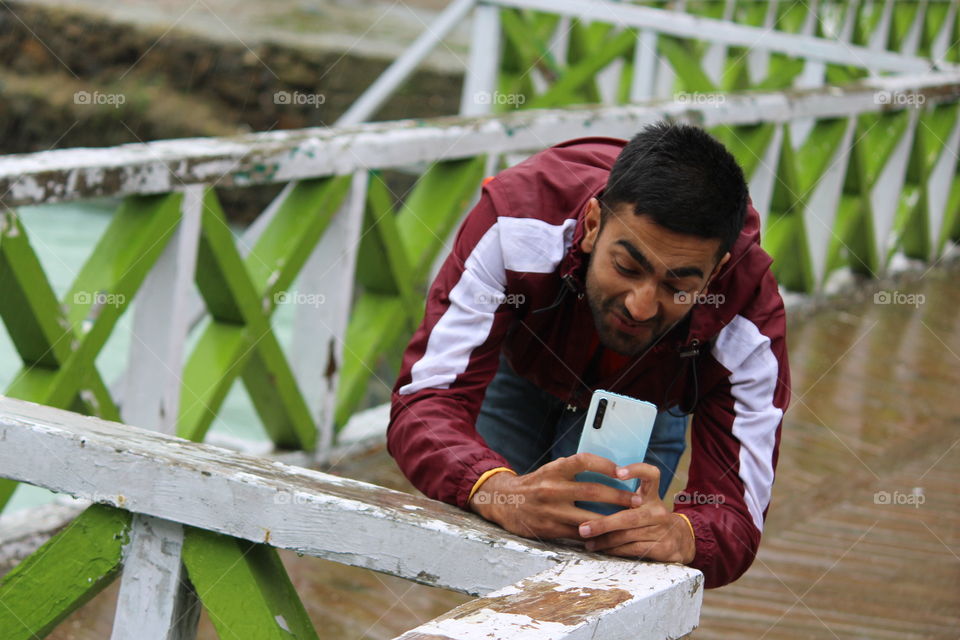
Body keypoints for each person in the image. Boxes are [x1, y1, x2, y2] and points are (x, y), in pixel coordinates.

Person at [386, 121, 791, 588]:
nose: (641, 305)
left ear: (717, 271)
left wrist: (682, 535)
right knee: (482, 554)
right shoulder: (517, 219)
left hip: (646, 406)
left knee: (604, 576)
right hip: (523, 374)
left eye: (678, 287)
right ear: (593, 225)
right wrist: (496, 490)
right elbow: (426, 400)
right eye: (627, 266)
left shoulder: (749, 310)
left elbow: (737, 512)